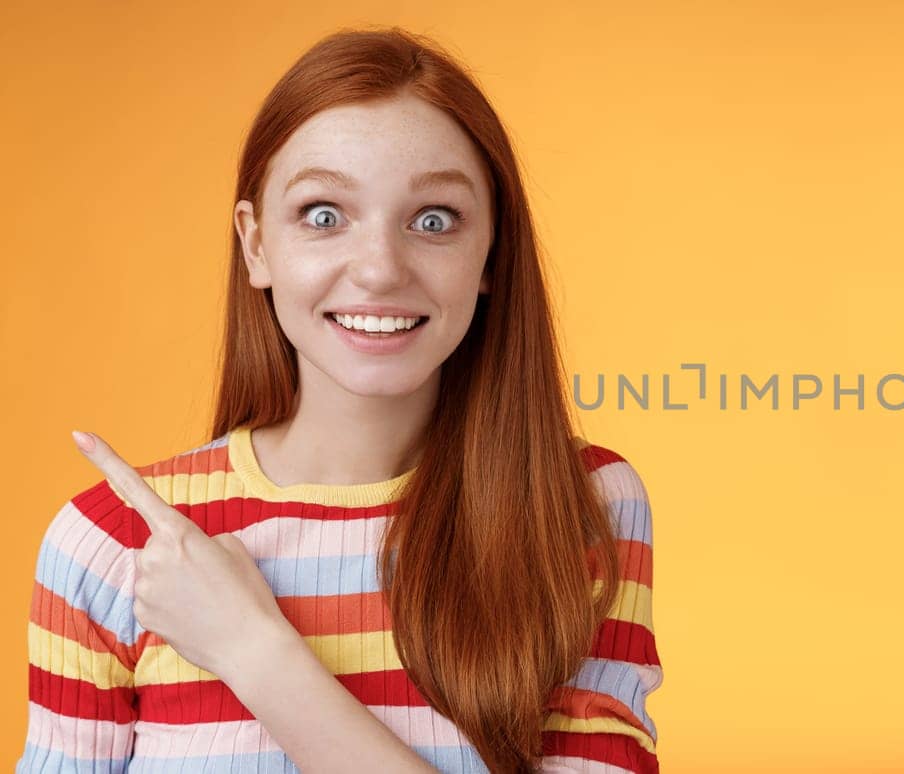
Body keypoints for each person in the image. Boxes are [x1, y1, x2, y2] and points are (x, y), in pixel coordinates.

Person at [17, 26, 661, 774]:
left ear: (492, 253)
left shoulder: (580, 508)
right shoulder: (110, 543)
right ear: (256, 246)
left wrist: (252, 652)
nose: (380, 270)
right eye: (324, 215)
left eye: (434, 220)